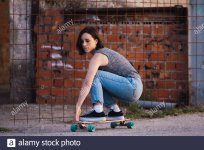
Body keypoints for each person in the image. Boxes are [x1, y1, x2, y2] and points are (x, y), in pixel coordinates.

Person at [75, 26, 143, 122]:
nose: (84, 44)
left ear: (96, 41)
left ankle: (98, 111)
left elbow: (87, 82)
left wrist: (78, 106)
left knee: (96, 75)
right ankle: (115, 111)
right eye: (82, 41)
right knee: (99, 82)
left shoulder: (99, 56)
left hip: (132, 85)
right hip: (133, 87)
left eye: (87, 40)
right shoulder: (100, 54)